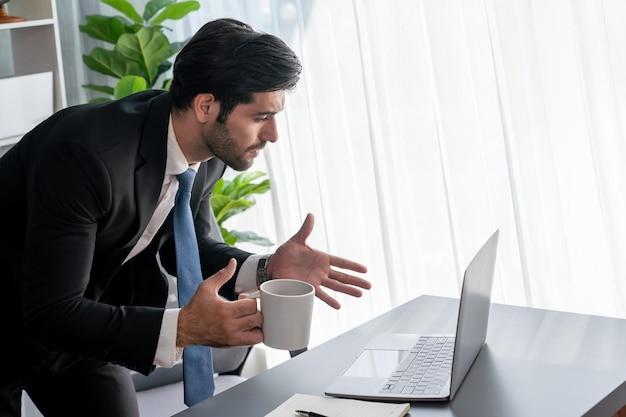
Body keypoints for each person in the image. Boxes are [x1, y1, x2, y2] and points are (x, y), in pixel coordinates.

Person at [0, 18, 370, 416]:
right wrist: (184, 328)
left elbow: (183, 244)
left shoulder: (209, 153)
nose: (274, 135)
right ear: (206, 105)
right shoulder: (87, 156)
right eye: (261, 117)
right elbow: (49, 312)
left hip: (78, 329)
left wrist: (265, 270)